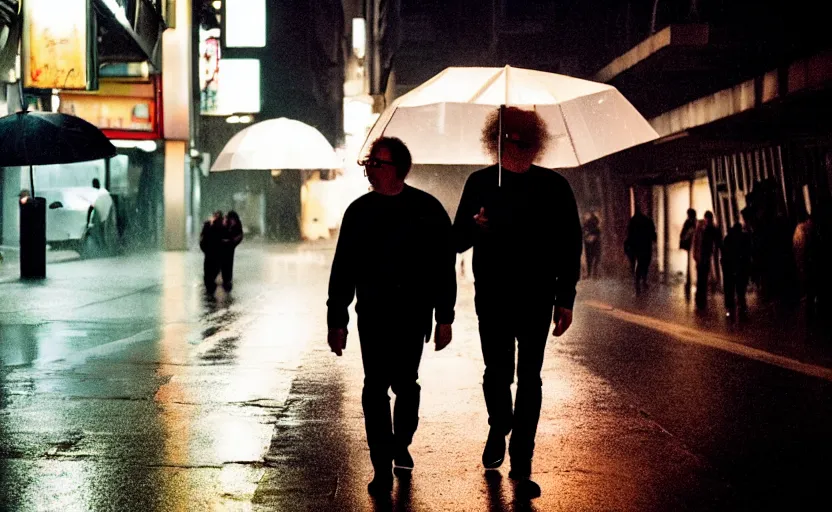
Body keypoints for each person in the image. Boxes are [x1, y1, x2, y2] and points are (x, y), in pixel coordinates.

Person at [453, 107, 582, 499]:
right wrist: (474, 226)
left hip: (537, 296)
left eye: (526, 141)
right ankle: (499, 424)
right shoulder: (479, 183)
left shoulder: (555, 187)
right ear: (497, 141)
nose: (519, 148)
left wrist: (566, 297)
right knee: (497, 371)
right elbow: (455, 240)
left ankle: (521, 459)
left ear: (536, 144)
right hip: (492, 293)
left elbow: (569, 245)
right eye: (511, 140)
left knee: (530, 377)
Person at [326, 136, 456, 497]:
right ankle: (381, 462)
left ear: (398, 167)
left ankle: (402, 443)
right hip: (373, 315)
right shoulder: (358, 211)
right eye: (368, 162)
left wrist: (445, 316)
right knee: (374, 387)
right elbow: (343, 270)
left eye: (377, 163)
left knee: (406, 384)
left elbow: (444, 267)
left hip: (414, 316)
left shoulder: (427, 210)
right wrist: (336, 320)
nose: (370, 168)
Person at [722, 222, 752, 318]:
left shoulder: (728, 238)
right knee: (740, 291)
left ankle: (730, 311)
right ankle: (742, 310)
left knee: (730, 290)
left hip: (729, 268)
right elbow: (748, 253)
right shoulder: (745, 238)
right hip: (741, 268)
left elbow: (724, 254)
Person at [693, 211, 721, 309]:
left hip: (704, 256)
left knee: (702, 278)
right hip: (702, 256)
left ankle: (700, 298)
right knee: (701, 278)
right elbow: (696, 242)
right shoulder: (701, 228)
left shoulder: (708, 229)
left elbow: (696, 242)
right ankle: (700, 298)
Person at [625, 208, 657, 295]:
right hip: (646, 245)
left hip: (636, 245)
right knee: (645, 263)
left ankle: (638, 282)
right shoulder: (647, 220)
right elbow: (652, 232)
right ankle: (643, 280)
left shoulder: (633, 221)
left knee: (639, 264)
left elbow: (629, 233)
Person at [200, 211, 224, 294]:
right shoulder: (213, 225)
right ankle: (209, 285)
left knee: (210, 269)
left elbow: (202, 238)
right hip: (213, 252)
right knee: (212, 269)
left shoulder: (210, 225)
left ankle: (209, 286)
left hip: (211, 252)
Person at [220, 211, 244, 292]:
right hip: (226, 245)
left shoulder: (236, 225)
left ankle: (227, 279)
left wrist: (231, 241)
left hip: (230, 245)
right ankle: (226, 278)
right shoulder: (228, 223)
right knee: (226, 262)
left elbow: (239, 235)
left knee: (228, 261)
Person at [679, 208, 697, 292]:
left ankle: (689, 279)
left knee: (689, 264)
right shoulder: (693, 222)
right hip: (692, 246)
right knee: (690, 263)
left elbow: (682, 234)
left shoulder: (689, 222)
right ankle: (690, 278)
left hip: (691, 246)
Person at [582, 212, 601, 278]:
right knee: (595, 258)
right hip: (593, 244)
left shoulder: (586, 225)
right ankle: (593, 274)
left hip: (590, 244)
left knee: (590, 259)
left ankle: (591, 273)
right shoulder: (594, 226)